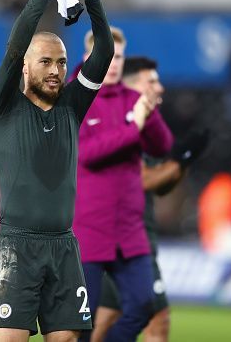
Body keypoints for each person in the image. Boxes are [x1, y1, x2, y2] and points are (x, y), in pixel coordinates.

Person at [0, 0, 113, 342]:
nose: (56, 70)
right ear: (25, 66)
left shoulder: (72, 106)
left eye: (61, 62)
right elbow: (12, 49)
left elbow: (104, 52)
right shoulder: (4, 104)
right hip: (17, 247)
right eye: (45, 62)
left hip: (63, 247)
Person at [91, 56, 210, 342]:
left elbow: (161, 188)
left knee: (116, 321)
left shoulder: (149, 129)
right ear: (132, 86)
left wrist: (182, 161)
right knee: (149, 320)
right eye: (152, 81)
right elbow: (139, 180)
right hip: (117, 240)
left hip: (136, 237)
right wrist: (179, 162)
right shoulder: (119, 124)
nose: (160, 87)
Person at [73, 46, 174, 340]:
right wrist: (134, 126)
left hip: (129, 230)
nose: (113, 63)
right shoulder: (78, 99)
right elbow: (88, 154)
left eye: (118, 57)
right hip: (90, 227)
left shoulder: (133, 100)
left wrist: (149, 112)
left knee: (143, 305)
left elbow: (163, 146)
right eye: (107, 56)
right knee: (82, 319)